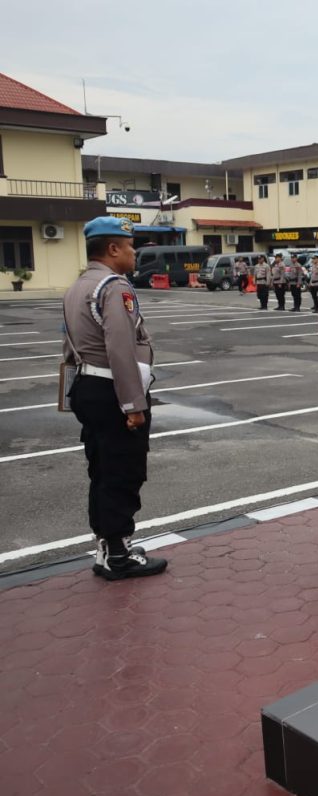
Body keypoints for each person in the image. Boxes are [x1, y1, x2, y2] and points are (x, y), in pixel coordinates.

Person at [62, 216, 167, 581]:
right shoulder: (114, 286)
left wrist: (70, 395)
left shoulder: (78, 285)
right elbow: (120, 349)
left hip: (89, 390)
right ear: (112, 249)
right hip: (112, 392)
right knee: (123, 471)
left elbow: (69, 349)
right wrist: (133, 405)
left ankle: (107, 548)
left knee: (101, 470)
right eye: (130, 246)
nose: (134, 253)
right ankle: (119, 555)